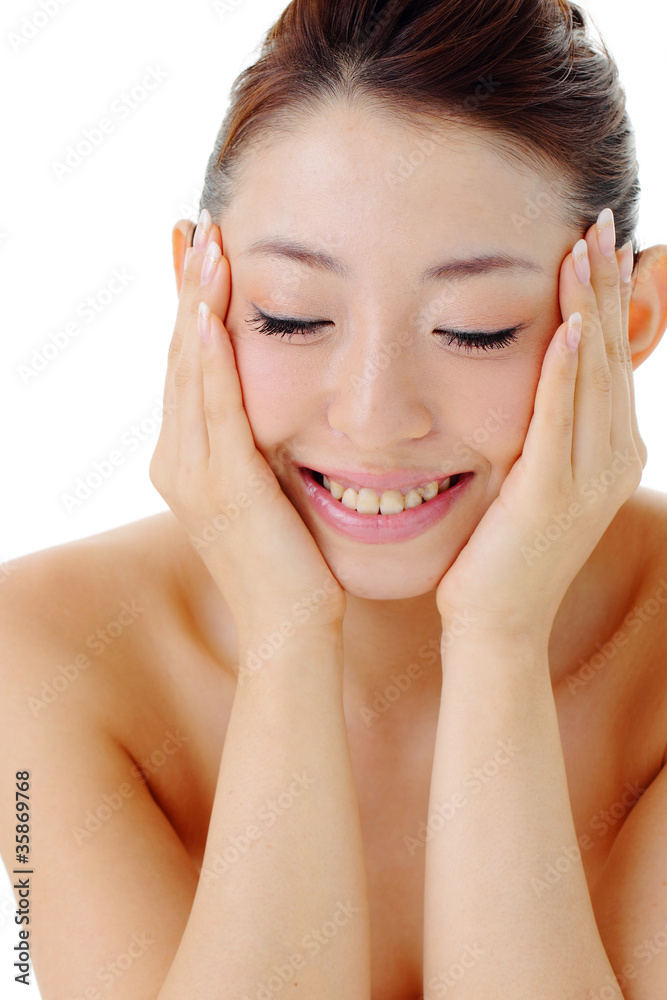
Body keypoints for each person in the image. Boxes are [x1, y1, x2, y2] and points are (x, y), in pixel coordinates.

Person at [2, 0, 667, 997]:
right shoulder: (39, 648)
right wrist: (286, 636)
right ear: (197, 297)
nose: (371, 417)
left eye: (474, 329)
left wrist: (498, 639)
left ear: (629, 318)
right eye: (291, 316)